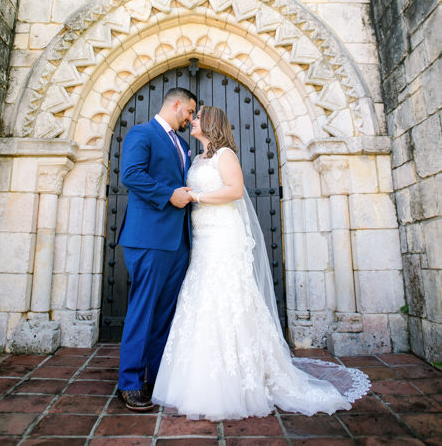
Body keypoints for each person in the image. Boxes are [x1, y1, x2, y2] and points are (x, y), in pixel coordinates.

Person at [152, 105, 371, 420]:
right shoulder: (197, 158)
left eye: (198, 117)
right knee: (201, 297)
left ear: (210, 124)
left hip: (224, 234)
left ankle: (243, 379)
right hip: (202, 235)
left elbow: (234, 190)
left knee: (227, 295)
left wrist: (196, 197)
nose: (193, 120)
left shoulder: (225, 155)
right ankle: (199, 378)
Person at [117, 87, 197, 411]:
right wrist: (169, 195)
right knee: (142, 311)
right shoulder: (142, 132)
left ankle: (154, 379)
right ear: (176, 105)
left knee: (164, 316)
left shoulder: (184, 145)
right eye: (189, 112)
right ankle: (130, 384)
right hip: (148, 239)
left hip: (178, 243)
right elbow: (131, 174)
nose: (191, 119)